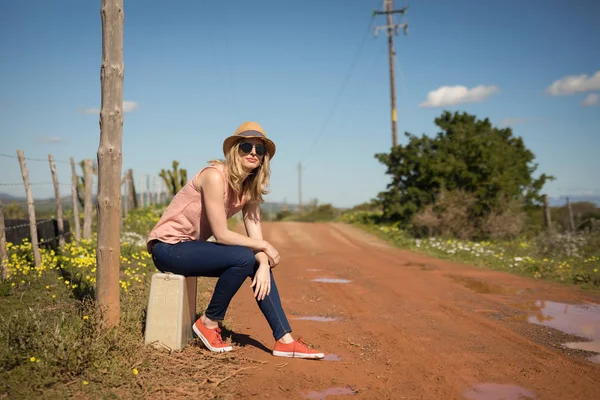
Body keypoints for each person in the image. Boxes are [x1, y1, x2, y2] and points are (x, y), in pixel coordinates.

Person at [146, 121, 325, 359]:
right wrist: (264, 248)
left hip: (190, 247)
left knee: (251, 258)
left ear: (263, 159)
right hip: (168, 248)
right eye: (246, 146)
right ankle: (208, 323)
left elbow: (255, 235)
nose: (253, 152)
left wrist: (262, 262)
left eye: (259, 150)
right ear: (234, 150)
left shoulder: (249, 187)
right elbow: (223, 235)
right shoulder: (214, 176)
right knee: (243, 256)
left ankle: (284, 339)